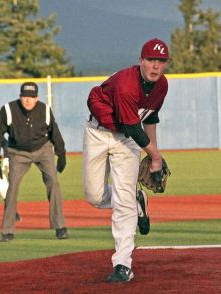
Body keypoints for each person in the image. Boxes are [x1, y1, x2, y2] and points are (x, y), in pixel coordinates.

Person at [83, 38, 170, 283]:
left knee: (122, 202)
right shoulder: (126, 84)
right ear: (140, 61)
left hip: (127, 141)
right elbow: (133, 126)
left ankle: (123, 264)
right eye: (151, 60)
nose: (155, 66)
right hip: (98, 132)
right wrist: (154, 156)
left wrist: (155, 155)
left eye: (161, 61)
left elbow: (150, 118)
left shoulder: (162, 86)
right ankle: (134, 199)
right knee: (94, 195)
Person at [0, 82, 68, 242]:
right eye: (25, 97)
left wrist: (61, 153)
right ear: (20, 97)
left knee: (53, 182)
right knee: (12, 186)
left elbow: (55, 132)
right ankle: (7, 230)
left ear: (37, 98)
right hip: (18, 152)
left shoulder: (44, 109)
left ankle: (60, 227)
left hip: (43, 149)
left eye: (31, 97)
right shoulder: (8, 110)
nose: (28, 101)